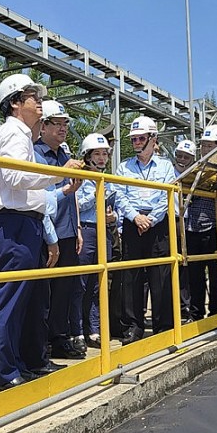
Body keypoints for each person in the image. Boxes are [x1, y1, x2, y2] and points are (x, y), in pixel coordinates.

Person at [0, 74, 82, 393]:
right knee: (11, 301)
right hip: (13, 223)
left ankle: (15, 364)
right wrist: (58, 173)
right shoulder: (13, 132)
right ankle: (3, 372)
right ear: (15, 103)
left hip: (22, 222)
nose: (38, 100)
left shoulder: (20, 134)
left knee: (20, 302)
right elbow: (15, 177)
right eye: (31, 95)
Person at [115, 115, 176, 344]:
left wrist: (150, 219)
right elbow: (119, 195)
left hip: (157, 224)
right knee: (132, 277)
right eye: (134, 139)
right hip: (133, 223)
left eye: (141, 138)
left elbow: (166, 194)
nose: (136, 142)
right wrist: (135, 217)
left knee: (160, 275)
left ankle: (164, 325)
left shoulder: (166, 166)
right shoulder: (124, 167)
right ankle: (133, 326)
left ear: (153, 138)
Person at [34, 100, 85, 359]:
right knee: (45, 291)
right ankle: (41, 342)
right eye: (57, 123)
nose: (63, 128)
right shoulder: (36, 154)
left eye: (65, 123)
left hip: (66, 230)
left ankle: (59, 337)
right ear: (43, 126)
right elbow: (43, 194)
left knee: (65, 288)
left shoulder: (65, 155)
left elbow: (72, 194)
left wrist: (76, 227)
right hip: (45, 231)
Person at [75, 133, 128, 347]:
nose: (101, 158)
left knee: (99, 282)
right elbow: (78, 203)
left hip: (103, 230)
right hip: (86, 230)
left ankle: (94, 329)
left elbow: (119, 204)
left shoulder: (107, 179)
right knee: (81, 282)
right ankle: (77, 330)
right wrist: (98, 192)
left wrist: (114, 216)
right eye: (97, 154)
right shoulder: (80, 176)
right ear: (87, 156)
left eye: (104, 154)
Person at [185, 125, 217, 320]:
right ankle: (196, 314)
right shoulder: (195, 167)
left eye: (208, 145)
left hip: (213, 227)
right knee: (194, 275)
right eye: (203, 145)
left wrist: (210, 184)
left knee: (215, 274)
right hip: (192, 228)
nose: (204, 149)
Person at [172, 139, 196, 320]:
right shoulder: (167, 172)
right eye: (179, 155)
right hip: (168, 220)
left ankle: (184, 306)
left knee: (184, 266)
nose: (181, 159)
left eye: (186, 157)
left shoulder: (194, 176)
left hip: (185, 223)